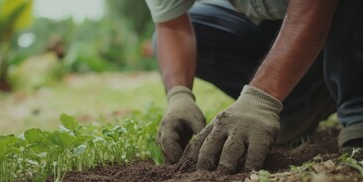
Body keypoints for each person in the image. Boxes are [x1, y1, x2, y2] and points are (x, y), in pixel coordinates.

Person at [145, 0, 363, 172]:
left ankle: (357, 106)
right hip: (279, 25)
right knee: (201, 29)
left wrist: (261, 99)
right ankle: (300, 101)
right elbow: (173, 27)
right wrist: (179, 95)